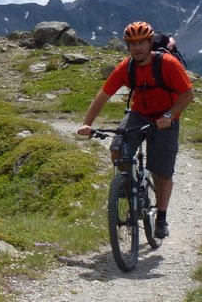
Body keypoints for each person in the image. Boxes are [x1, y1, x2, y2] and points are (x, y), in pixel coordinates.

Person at [76, 21, 194, 238]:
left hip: (166, 116)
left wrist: (168, 116)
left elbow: (188, 95)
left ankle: (161, 217)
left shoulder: (167, 64)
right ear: (127, 46)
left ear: (150, 43)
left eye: (142, 42)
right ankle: (126, 185)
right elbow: (103, 95)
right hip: (139, 113)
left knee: (162, 173)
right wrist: (88, 124)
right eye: (133, 44)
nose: (137, 47)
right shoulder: (126, 67)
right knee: (117, 148)